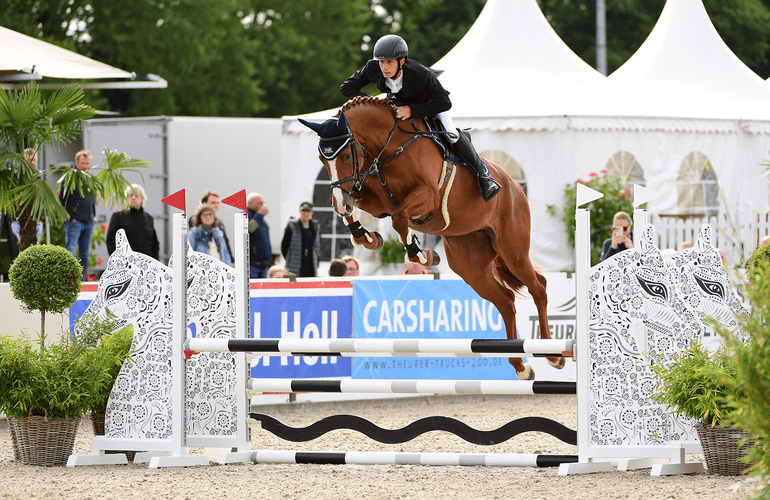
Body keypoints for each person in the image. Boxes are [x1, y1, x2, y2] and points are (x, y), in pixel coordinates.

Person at [340, 34, 501, 201]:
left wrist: (411, 110)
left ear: (401, 61)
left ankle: (484, 177)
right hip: (400, 103)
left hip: (431, 101)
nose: (384, 67)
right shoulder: (373, 68)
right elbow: (346, 88)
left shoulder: (420, 74)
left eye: (389, 62)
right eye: (381, 62)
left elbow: (444, 103)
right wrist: (372, 103)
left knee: (450, 133)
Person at [59, 149, 97, 281]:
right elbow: (62, 199)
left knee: (85, 254)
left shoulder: (89, 178)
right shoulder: (70, 177)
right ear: (77, 163)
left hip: (88, 221)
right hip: (74, 222)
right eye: (83, 163)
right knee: (71, 250)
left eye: (87, 163)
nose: (85, 166)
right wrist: (70, 218)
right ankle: (69, 280)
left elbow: (92, 199)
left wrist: (94, 215)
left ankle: (81, 281)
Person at [106, 184, 160, 260]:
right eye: (130, 195)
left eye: (136, 195)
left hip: (146, 264)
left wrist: (155, 261)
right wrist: (116, 260)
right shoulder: (118, 217)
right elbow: (110, 241)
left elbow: (155, 243)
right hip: (127, 264)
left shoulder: (149, 218)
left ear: (142, 199)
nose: (133, 198)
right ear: (126, 199)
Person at [189, 189, 233, 260]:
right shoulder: (194, 228)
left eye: (218, 203)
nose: (216, 205)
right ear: (204, 203)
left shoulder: (219, 225)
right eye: (213, 203)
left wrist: (231, 260)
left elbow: (225, 246)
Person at [281, 201, 320, 277]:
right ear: (299, 212)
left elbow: (317, 245)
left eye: (308, 211)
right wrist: (290, 259)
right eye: (303, 211)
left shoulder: (315, 226)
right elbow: (284, 246)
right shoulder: (292, 225)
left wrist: (317, 260)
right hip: (295, 265)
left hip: (310, 264)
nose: (305, 214)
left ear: (311, 213)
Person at [247, 192, 272, 278]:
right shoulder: (246, 215)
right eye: (259, 203)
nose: (262, 206)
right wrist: (259, 215)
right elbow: (250, 229)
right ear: (250, 203)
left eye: (262, 203)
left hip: (264, 265)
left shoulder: (260, 218)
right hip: (252, 264)